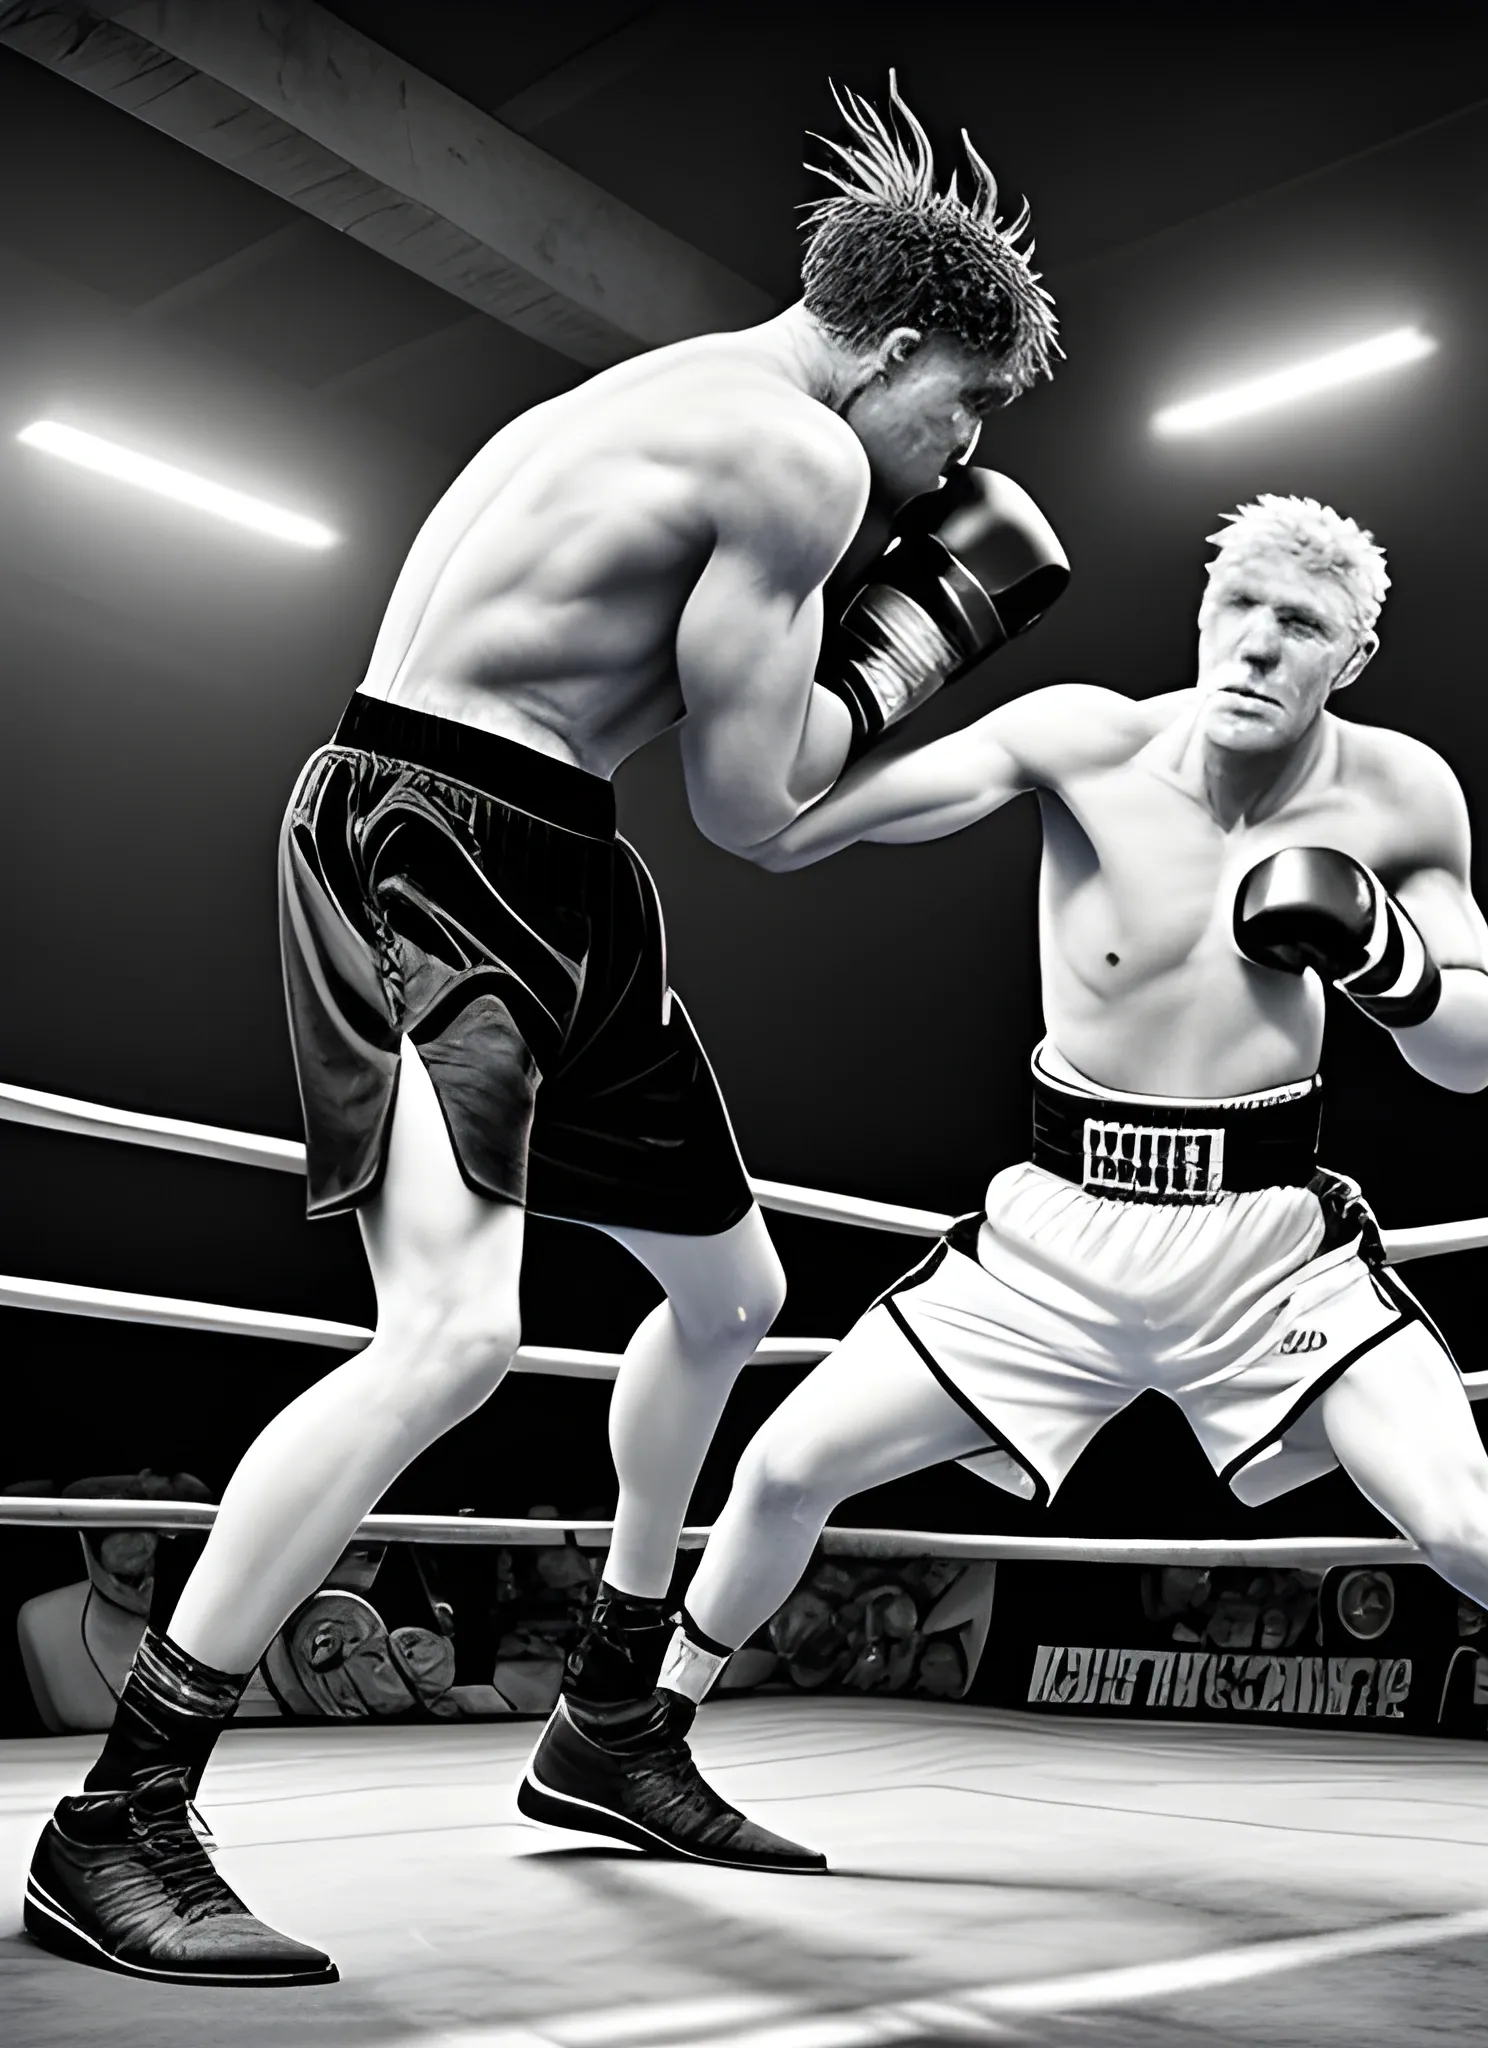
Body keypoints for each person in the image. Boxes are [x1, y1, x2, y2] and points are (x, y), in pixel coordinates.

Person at [22, 76, 1066, 1987]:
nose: (959, 458)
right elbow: (760, 806)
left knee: (733, 1295)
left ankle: (609, 1719)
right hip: (432, 844)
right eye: (966, 411)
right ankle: (119, 1820)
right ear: (903, 348)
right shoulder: (800, 461)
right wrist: (928, 641)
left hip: (557, 857)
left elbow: (671, 757)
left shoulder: (668, 394)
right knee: (452, 1334)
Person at [652, 494, 1488, 1962]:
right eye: (1239, 605)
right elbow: (781, 827)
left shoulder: (1401, 792)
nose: (1258, 642)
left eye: (1301, 625)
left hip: (1267, 1246)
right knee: (787, 1464)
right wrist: (874, 660)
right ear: (1200, 611)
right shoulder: (1080, 740)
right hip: (1056, 1232)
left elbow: (1475, 1049)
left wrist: (1388, 958)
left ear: (1348, 656)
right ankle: (638, 1738)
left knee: (1466, 1526)